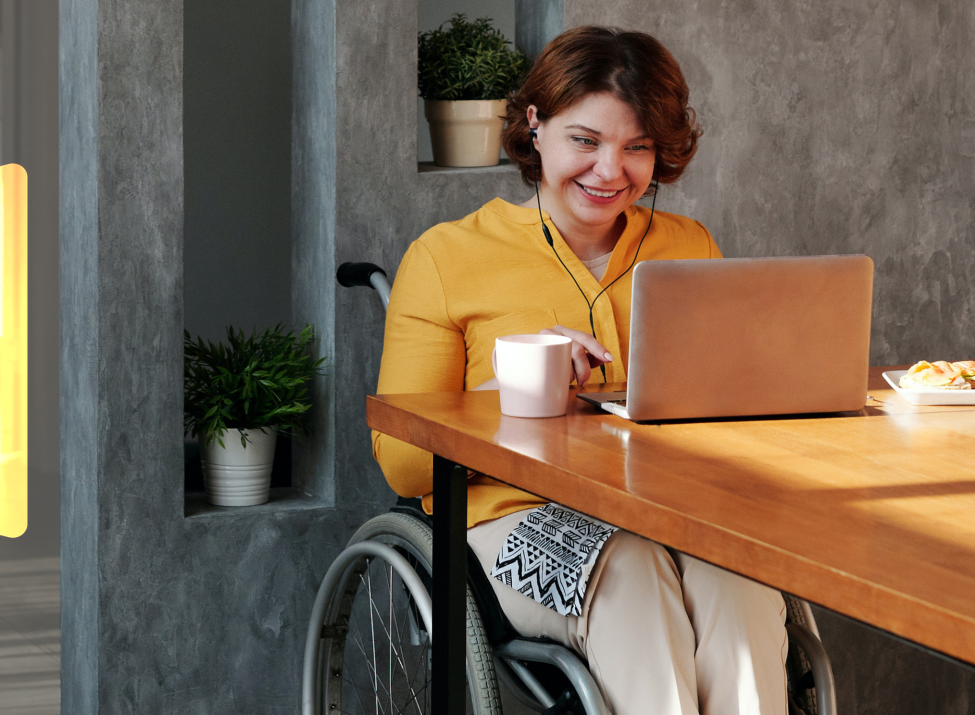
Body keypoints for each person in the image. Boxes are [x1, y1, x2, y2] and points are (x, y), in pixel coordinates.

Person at [373, 26, 788, 715]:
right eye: (585, 141)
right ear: (534, 126)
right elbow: (405, 466)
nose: (609, 172)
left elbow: (722, 415)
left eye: (637, 147)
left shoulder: (689, 248)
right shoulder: (446, 258)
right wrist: (518, 388)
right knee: (629, 577)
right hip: (511, 517)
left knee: (741, 584)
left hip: (670, 512)